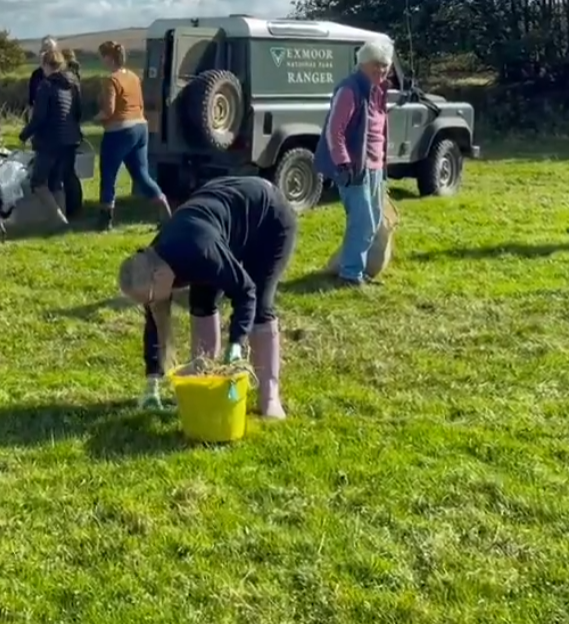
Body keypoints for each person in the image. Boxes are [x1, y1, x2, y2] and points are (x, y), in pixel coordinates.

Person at [116, 176, 298, 418]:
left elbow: (245, 292)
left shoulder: (201, 252)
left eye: (148, 298)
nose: (148, 304)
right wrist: (152, 383)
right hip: (221, 217)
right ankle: (208, 381)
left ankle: (270, 396)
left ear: (159, 277)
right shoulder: (152, 261)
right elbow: (154, 322)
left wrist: (236, 343)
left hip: (269, 217)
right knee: (202, 301)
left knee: (261, 302)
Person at [314, 40, 392, 286]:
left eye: (384, 66)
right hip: (354, 169)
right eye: (375, 66)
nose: (380, 71)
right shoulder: (350, 90)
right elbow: (334, 131)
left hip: (376, 167)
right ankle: (350, 275)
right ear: (363, 64)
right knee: (363, 223)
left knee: (374, 221)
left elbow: (377, 131)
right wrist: (344, 163)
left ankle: (361, 270)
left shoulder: (378, 91)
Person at [95, 40, 171, 229]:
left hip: (120, 130)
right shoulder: (134, 77)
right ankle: (165, 210)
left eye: (102, 57)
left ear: (109, 58)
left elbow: (109, 111)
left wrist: (94, 118)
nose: (102, 61)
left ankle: (105, 220)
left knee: (108, 174)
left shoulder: (111, 80)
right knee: (141, 174)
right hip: (140, 127)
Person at [19, 49, 81, 225]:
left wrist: (24, 135)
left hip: (50, 140)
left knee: (38, 182)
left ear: (45, 65)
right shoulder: (73, 83)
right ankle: (60, 220)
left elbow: (39, 117)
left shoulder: (46, 86)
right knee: (56, 181)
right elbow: (78, 112)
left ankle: (59, 220)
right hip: (70, 140)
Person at [27, 36, 55, 108]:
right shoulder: (36, 75)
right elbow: (32, 102)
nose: (46, 54)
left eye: (50, 51)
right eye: (44, 50)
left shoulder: (62, 74)